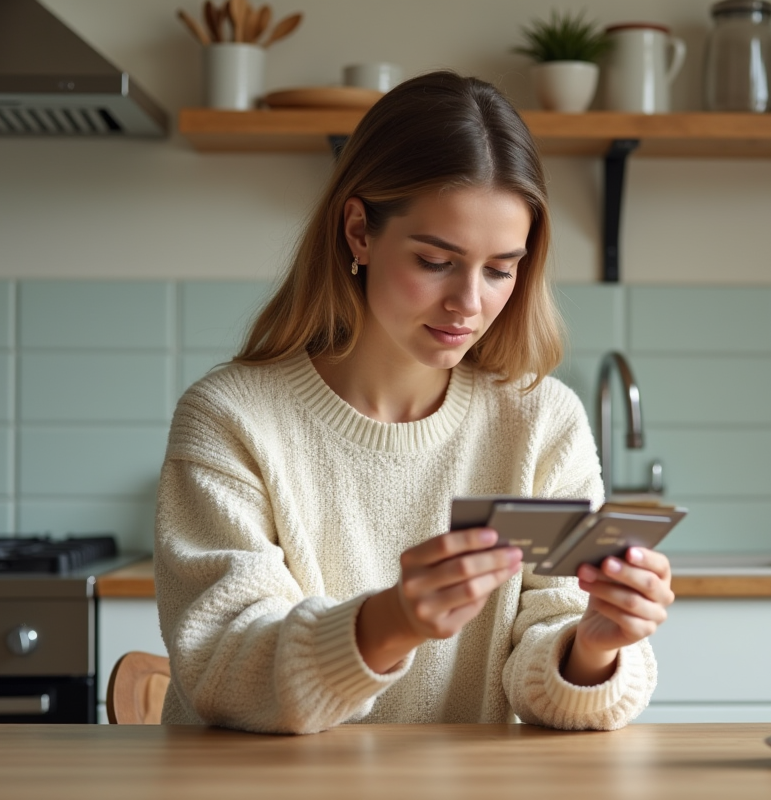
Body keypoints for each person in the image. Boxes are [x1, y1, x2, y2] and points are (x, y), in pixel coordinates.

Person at [153, 71, 674, 735]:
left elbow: (554, 654)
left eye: (500, 269)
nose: (469, 303)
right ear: (359, 232)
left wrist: (593, 647)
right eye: (435, 261)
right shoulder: (231, 418)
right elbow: (223, 669)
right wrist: (390, 622)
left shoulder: (543, 421)